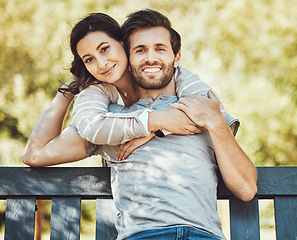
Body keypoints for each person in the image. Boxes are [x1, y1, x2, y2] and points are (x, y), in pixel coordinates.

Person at [75, 9, 257, 240]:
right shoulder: (114, 120)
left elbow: (246, 189)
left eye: (160, 49)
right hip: (144, 236)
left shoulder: (202, 112)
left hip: (203, 236)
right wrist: (68, 89)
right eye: (140, 50)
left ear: (177, 57)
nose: (151, 58)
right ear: (128, 60)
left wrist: (214, 122)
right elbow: (37, 153)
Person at [22, 12, 237, 166]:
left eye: (104, 49)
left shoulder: (169, 75)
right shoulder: (97, 94)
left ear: (124, 44)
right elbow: (34, 155)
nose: (102, 63)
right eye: (89, 59)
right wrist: (69, 89)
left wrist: (153, 132)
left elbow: (211, 111)